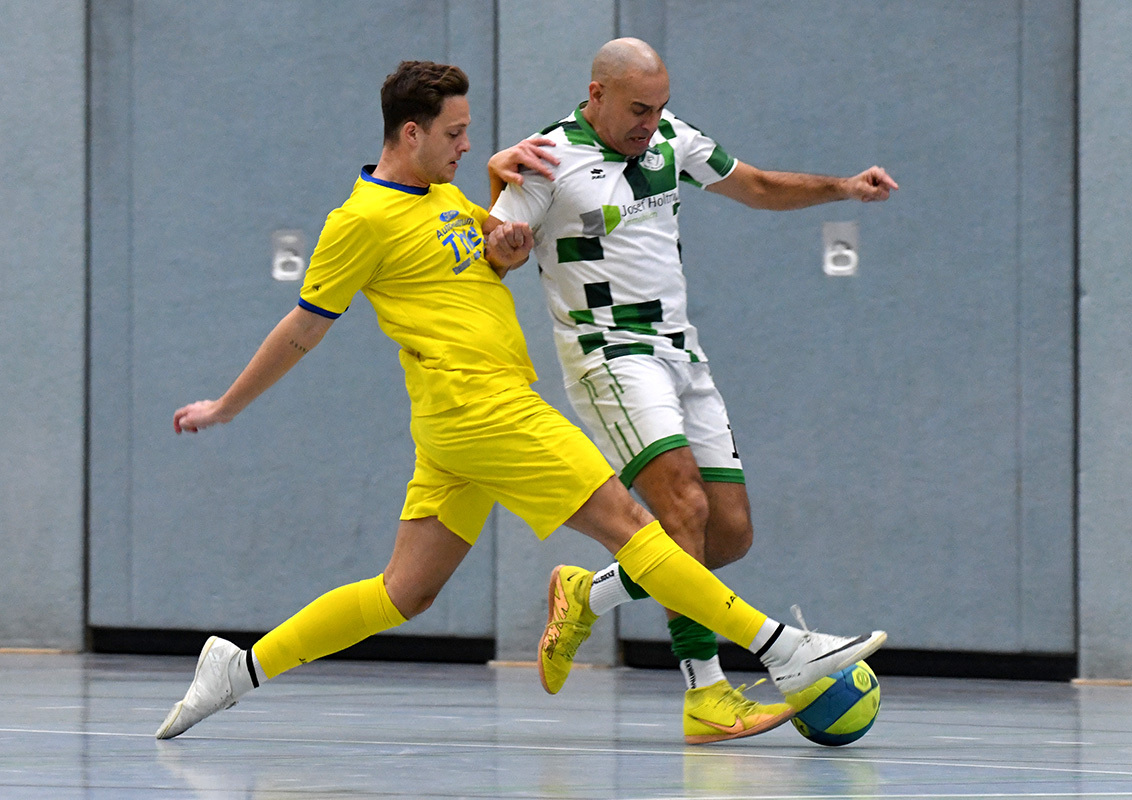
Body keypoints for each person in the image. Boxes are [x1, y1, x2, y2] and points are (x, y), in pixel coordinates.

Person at [155, 59, 885, 743]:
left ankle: (239, 668)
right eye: (454, 133)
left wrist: (502, 241)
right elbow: (302, 329)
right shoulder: (361, 220)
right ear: (411, 134)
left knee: (404, 592)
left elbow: (487, 264)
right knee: (633, 523)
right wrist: (226, 406)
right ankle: (782, 649)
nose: (470, 145)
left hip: (456, 423)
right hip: (484, 408)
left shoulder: (440, 194)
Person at [487, 38, 898, 744]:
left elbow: (758, 185)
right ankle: (705, 694)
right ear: (597, 95)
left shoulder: (672, 140)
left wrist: (842, 187)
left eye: (659, 108)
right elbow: (494, 245)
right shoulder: (545, 158)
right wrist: (504, 247)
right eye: (638, 109)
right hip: (609, 353)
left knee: (725, 534)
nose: (650, 122)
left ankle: (589, 592)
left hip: (682, 353)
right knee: (683, 507)